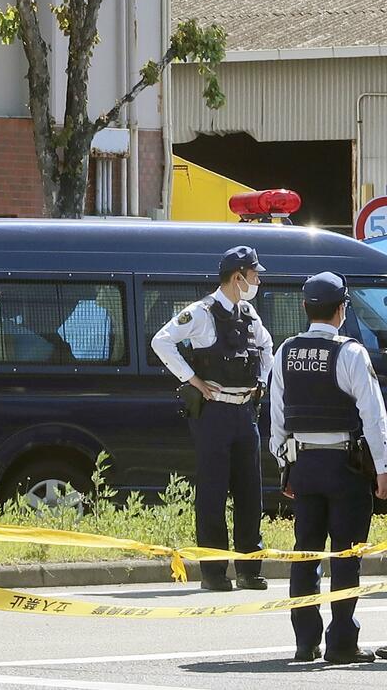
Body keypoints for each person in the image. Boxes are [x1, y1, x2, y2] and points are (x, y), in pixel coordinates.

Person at [269, 272, 387, 664]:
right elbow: (373, 416)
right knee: (346, 554)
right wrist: (383, 468)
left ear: (305, 307)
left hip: (304, 466)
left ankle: (305, 643)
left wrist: (285, 466)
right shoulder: (350, 353)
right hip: (346, 467)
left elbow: (277, 419)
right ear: (342, 308)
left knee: (305, 554)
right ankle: (341, 644)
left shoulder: (285, 352)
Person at [150, 245, 272, 592]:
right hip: (214, 412)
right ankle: (214, 572)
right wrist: (193, 380)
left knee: (250, 493)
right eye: (254, 274)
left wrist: (261, 381)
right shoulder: (201, 313)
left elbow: (267, 347)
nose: (258, 280)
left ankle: (249, 568)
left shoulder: (249, 313)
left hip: (245, 412)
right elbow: (162, 341)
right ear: (238, 277)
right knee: (213, 493)